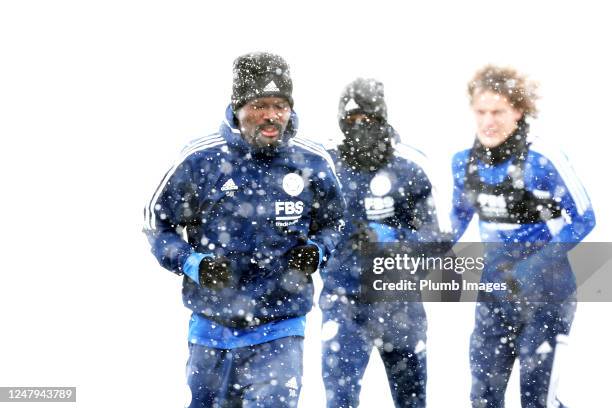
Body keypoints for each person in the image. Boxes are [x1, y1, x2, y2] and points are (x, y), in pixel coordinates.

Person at [143, 52, 345, 408]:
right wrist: (193, 263)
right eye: (260, 105)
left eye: (280, 105)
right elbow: (155, 223)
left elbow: (336, 222)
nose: (271, 116)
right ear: (238, 107)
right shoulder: (200, 160)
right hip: (212, 329)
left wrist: (318, 249)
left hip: (280, 325)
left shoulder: (312, 162)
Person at [450, 65, 596, 407]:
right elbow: (458, 217)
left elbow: (585, 218)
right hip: (495, 292)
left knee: (537, 401)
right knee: (483, 397)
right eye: (481, 111)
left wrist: (533, 267)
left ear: (518, 110)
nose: (488, 121)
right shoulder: (464, 162)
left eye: (498, 111)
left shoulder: (543, 159)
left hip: (548, 295)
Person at [320, 78, 446, 408]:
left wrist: (391, 240)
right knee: (341, 398)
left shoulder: (411, 167)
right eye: (352, 121)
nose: (361, 128)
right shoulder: (325, 166)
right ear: (341, 122)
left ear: (384, 118)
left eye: (370, 120)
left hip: (400, 303)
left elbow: (437, 243)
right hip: (343, 303)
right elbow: (304, 230)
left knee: (411, 400)